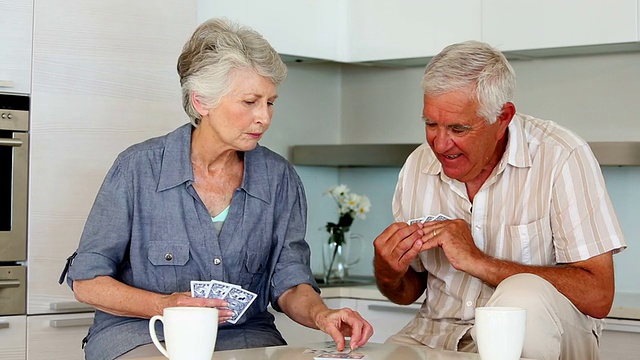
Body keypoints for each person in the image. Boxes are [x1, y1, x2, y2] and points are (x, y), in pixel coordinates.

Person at [60, 18, 373, 360]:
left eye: (270, 102)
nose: (264, 118)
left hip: (245, 337)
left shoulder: (280, 179)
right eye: (250, 101)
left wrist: (321, 314)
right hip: (144, 334)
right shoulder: (137, 169)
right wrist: (165, 305)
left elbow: (290, 283)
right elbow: (87, 282)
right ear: (201, 102)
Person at [373, 40, 626, 360]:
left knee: (524, 295)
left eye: (458, 128)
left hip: (547, 340)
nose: (439, 143)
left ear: (503, 117)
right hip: (436, 336)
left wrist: (477, 261)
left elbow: (599, 295)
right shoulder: (417, 165)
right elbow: (409, 291)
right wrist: (387, 270)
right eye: (430, 124)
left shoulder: (561, 156)